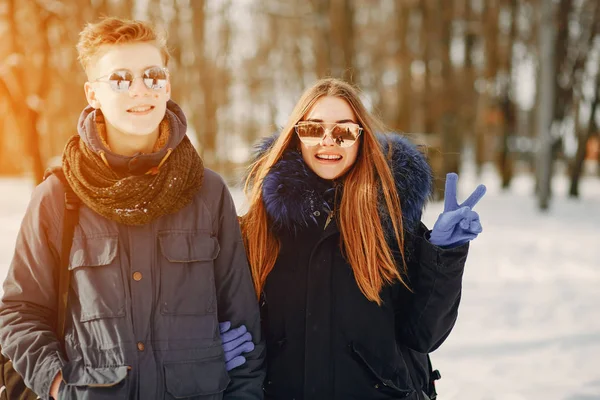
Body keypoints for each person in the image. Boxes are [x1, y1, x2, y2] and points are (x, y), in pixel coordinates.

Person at [0, 17, 264, 400]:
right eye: (121, 79)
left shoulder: (207, 192)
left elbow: (242, 322)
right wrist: (59, 386)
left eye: (152, 76)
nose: (140, 90)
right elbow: (20, 312)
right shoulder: (59, 197)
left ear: (167, 85)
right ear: (93, 94)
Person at [240, 78, 486, 400]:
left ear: (362, 139)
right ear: (295, 137)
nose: (328, 142)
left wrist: (443, 254)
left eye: (343, 132)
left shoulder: (392, 219)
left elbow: (424, 334)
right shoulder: (259, 226)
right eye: (313, 129)